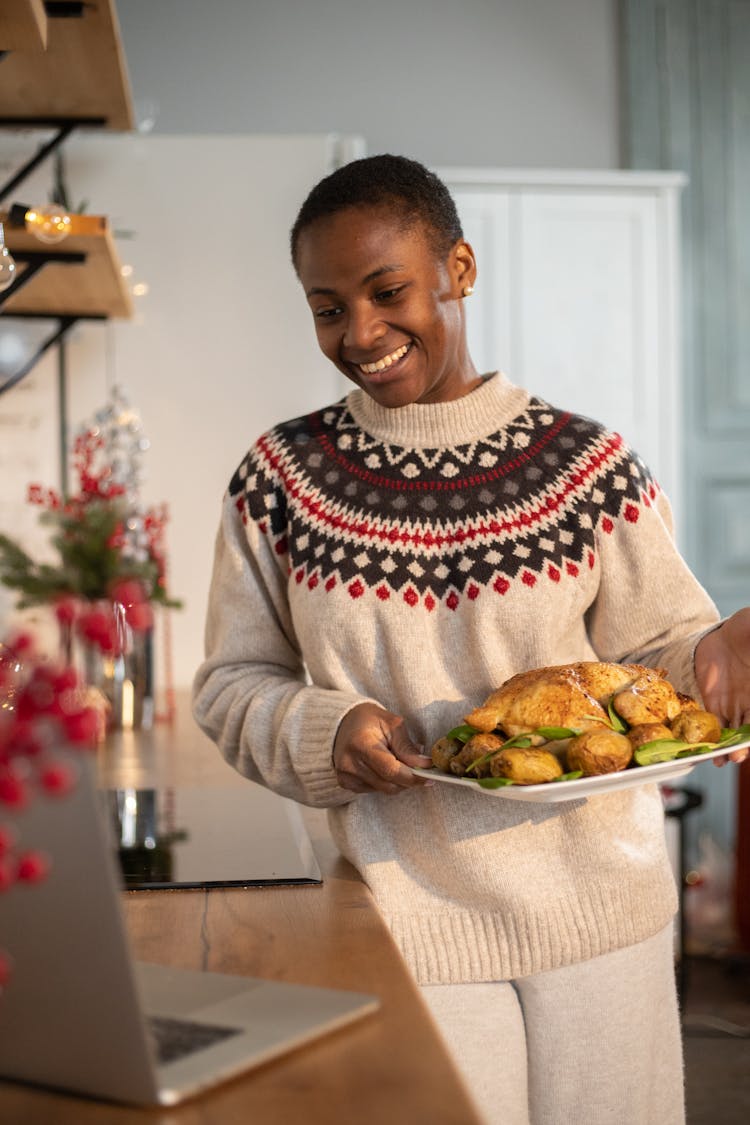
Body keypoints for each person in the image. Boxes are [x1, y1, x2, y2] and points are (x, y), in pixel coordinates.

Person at [192, 154, 750, 1125]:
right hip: (409, 926)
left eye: (387, 290)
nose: (359, 333)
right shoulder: (280, 479)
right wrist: (325, 730)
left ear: (460, 267)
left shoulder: (590, 466)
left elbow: (660, 648)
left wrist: (707, 655)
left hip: (602, 925)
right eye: (327, 308)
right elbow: (231, 682)